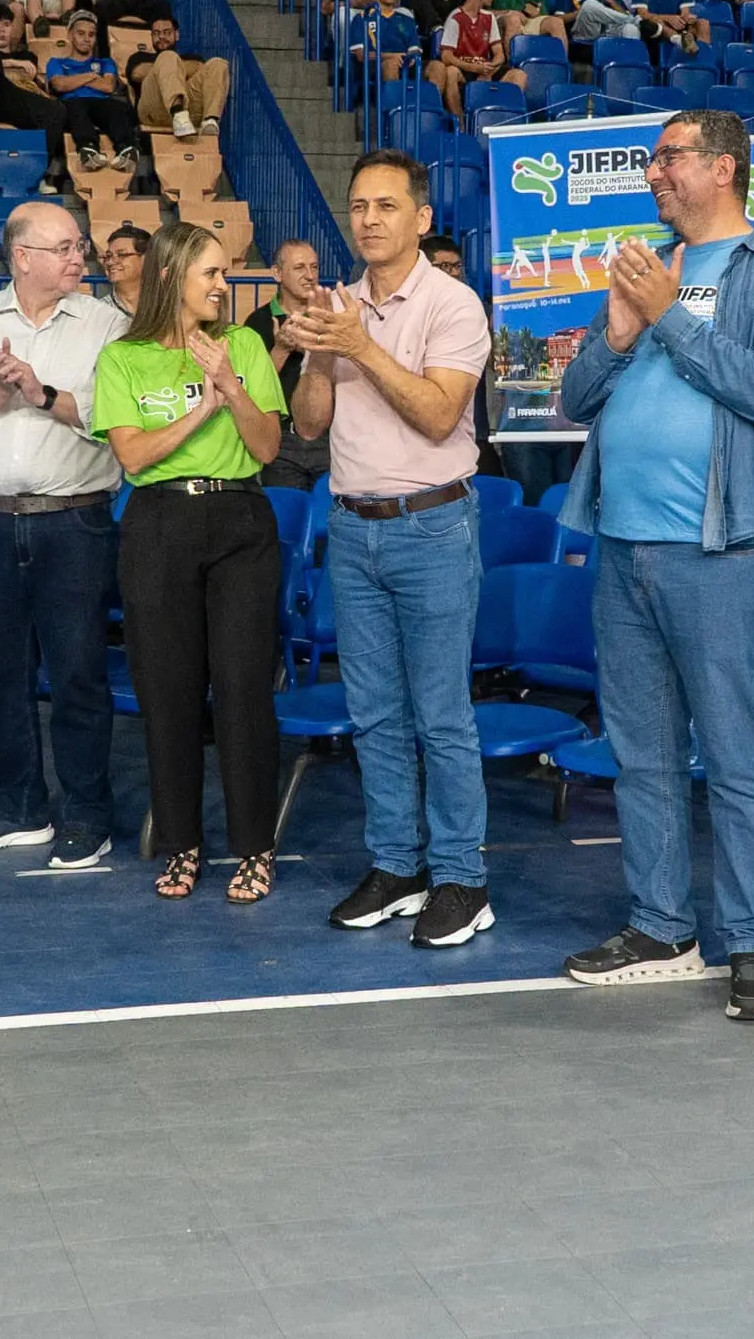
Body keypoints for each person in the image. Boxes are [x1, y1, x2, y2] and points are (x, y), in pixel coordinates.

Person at [554, 110, 754, 1021]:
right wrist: (622, 331)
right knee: (644, 752)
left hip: (719, 552)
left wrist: (667, 320)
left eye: (669, 157)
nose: (654, 172)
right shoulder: (647, 268)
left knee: (739, 753)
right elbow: (572, 401)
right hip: (621, 544)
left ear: (724, 167)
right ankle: (662, 926)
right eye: (653, 159)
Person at [284, 152, 497, 946]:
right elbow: (307, 425)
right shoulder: (339, 306)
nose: (368, 219)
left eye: (385, 205)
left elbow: (441, 416)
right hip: (353, 524)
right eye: (358, 206)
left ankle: (462, 881)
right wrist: (318, 352)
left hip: (432, 524)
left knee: (441, 715)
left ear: (421, 219)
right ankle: (396, 865)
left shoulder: (453, 305)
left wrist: (361, 346)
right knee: (372, 713)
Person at [93, 222, 287, 902]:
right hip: (158, 524)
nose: (222, 284)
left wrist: (232, 388)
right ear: (173, 276)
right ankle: (182, 844)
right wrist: (204, 408)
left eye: (225, 272)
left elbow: (265, 447)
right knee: (168, 694)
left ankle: (254, 846)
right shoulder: (123, 359)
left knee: (242, 692)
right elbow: (133, 455)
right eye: (210, 272)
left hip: (240, 521)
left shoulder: (245, 346)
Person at [0, 202, 128, 864]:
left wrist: (41, 391)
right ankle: (21, 808)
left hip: (74, 522)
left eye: (81, 247)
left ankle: (87, 816)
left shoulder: (109, 324)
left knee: (77, 676)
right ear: (22, 256)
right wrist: (2, 388)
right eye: (67, 248)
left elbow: (110, 415)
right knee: (2, 676)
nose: (82, 258)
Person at [241, 238, 333, 490]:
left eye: (314, 267)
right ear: (277, 273)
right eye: (299, 268)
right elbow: (251, 390)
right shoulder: (258, 322)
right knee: (286, 521)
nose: (310, 276)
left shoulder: (331, 318)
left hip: (330, 438)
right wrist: (281, 349)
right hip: (282, 440)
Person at [0, 1, 66, 162]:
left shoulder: (26, 56)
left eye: (7, 25)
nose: (2, 29)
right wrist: (13, 63)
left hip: (16, 100)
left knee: (57, 110)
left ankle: (39, 167)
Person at [426, 0, 526, 125]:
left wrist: (490, 68)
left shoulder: (489, 17)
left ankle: (500, 119)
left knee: (519, 75)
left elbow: (499, 53)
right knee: (451, 72)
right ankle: (460, 123)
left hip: (484, 68)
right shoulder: (455, 18)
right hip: (465, 69)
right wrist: (473, 68)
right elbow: (446, 56)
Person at [47, 9, 139, 172]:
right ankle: (88, 148)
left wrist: (74, 80)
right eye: (81, 33)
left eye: (91, 34)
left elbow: (108, 86)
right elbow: (59, 85)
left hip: (101, 103)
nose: (86, 39)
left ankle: (126, 149)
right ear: (70, 35)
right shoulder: (56, 62)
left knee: (118, 107)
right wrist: (91, 76)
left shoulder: (106, 62)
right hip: (72, 104)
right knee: (73, 107)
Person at [129, 13, 227, 140]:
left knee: (218, 64)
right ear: (151, 37)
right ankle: (178, 113)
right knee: (167, 56)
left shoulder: (192, 57)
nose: (161, 37)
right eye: (156, 33)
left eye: (167, 32)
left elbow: (202, 70)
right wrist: (164, 66)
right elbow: (137, 74)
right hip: (153, 111)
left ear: (177, 35)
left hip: (191, 113)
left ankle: (210, 120)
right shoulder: (140, 57)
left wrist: (173, 67)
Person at [348, 0, 424, 84]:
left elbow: (415, 51)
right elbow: (361, 55)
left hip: (405, 66)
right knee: (391, 64)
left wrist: (409, 58)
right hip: (374, 68)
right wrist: (391, 57)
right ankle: (393, 102)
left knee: (437, 67)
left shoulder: (407, 20)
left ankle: (426, 102)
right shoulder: (362, 18)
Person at [100, 223, 149, 318]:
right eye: (109, 255)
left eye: (122, 255)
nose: (110, 262)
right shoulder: (99, 313)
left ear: (145, 259)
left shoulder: (167, 307)